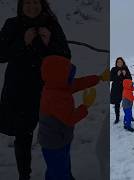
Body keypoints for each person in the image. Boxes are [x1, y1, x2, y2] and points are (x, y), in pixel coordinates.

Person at [0, 0, 70, 179]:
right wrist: (23, 42)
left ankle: (61, 174)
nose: (32, 7)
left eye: (35, 2)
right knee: (23, 136)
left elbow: (65, 55)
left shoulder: (50, 25)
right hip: (19, 90)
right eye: (27, 3)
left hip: (48, 90)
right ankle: (25, 176)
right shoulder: (12, 24)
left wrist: (48, 43)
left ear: (42, 4)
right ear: (21, 5)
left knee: (56, 136)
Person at [38, 55, 108, 180]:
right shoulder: (54, 97)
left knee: (60, 167)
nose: (71, 78)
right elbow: (70, 118)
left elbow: (79, 83)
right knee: (59, 171)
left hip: (60, 138)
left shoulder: (58, 85)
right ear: (59, 77)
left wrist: (99, 78)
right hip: (54, 143)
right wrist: (85, 106)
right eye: (69, 76)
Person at [110, 57, 132, 124]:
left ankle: (129, 116)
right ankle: (117, 118)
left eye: (121, 62)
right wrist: (117, 75)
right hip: (116, 89)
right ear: (116, 63)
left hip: (125, 90)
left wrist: (125, 75)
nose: (119, 63)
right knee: (117, 104)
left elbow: (130, 79)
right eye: (118, 62)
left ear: (123, 62)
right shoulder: (113, 69)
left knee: (128, 104)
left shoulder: (125, 69)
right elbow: (110, 78)